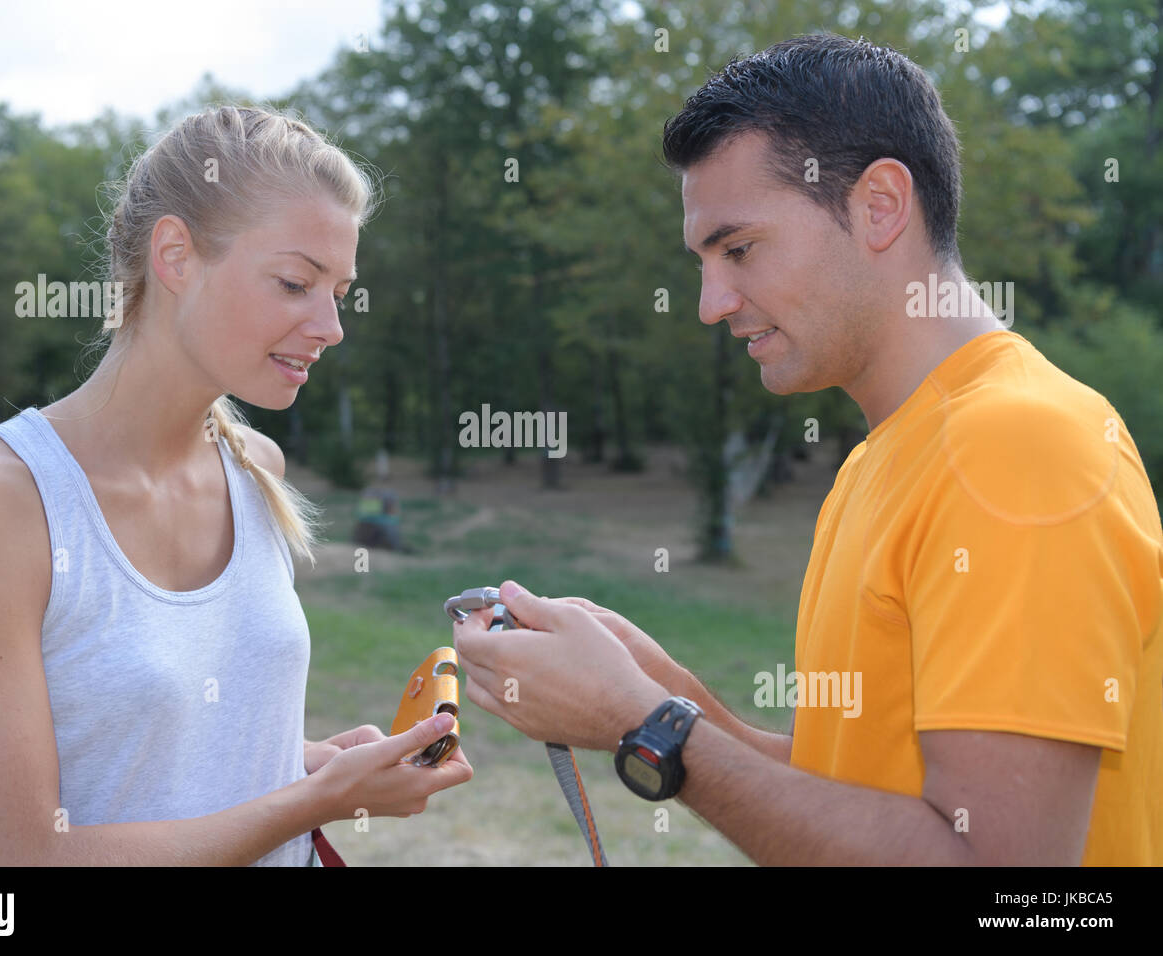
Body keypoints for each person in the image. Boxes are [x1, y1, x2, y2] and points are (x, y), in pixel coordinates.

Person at [455, 33, 1163, 865]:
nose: (711, 303)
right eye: (703, 262)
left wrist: (641, 726)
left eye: (740, 249)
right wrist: (666, 694)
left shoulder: (1019, 446)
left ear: (879, 206)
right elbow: (864, 795)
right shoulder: (884, 458)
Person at [0, 106, 472, 866]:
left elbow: (166, 757)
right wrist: (313, 802)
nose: (332, 326)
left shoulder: (256, 470)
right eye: (296, 282)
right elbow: (5, 861)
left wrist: (312, 765)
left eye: (338, 289)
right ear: (174, 255)